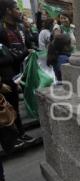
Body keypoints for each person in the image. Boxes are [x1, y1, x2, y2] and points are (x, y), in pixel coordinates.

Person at [0, 0, 36, 147]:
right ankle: (16, 135)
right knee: (11, 106)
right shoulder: (1, 30)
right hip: (7, 77)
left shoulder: (21, 27)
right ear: (8, 10)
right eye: (16, 8)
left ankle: (20, 134)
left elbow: (28, 45)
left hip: (24, 72)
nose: (20, 11)